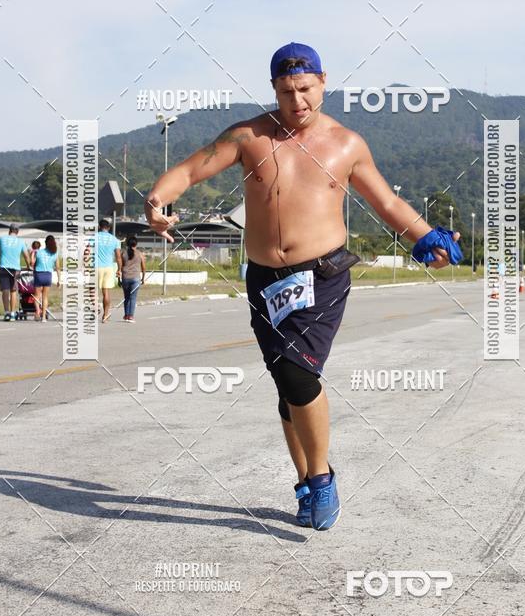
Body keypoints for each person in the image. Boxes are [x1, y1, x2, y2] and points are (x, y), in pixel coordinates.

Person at [144, 42, 462, 531]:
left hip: (322, 275)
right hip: (263, 280)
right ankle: (307, 484)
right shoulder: (249, 136)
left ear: (323, 82)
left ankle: (322, 478)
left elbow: (388, 204)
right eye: (287, 91)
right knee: (285, 386)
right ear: (273, 88)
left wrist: (427, 239)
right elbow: (191, 168)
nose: (298, 102)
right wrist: (158, 199)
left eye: (306, 90)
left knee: (297, 376)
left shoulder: (346, 145)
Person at [0, 224, 31, 321]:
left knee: (5, 290)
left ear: (9, 231)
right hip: (15, 268)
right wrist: (29, 266)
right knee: (13, 291)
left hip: (4, 267)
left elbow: (0, 253)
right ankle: (12, 313)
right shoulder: (21, 241)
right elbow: (26, 255)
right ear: (17, 232)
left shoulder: (2, 239)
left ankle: (6, 313)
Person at [93, 219, 123, 323]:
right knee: (106, 293)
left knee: (92, 290)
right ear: (109, 228)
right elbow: (118, 257)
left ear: (98, 227)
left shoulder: (94, 237)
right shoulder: (114, 240)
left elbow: (87, 252)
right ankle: (105, 315)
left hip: (95, 267)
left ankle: (96, 307)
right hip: (108, 268)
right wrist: (119, 269)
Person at [32, 235, 61, 322]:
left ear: (45, 243)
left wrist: (33, 254)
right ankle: (44, 317)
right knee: (45, 297)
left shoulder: (39, 252)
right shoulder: (55, 253)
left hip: (39, 274)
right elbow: (58, 268)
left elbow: (32, 263)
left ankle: (37, 311)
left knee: (36, 296)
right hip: (48, 275)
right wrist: (59, 280)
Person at [121, 236, 145, 323]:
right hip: (135, 278)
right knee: (133, 298)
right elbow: (143, 267)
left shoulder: (123, 253)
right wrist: (143, 278)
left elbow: (121, 266)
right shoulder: (139, 254)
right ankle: (131, 316)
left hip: (125, 277)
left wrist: (120, 277)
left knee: (126, 297)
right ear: (136, 244)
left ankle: (126, 315)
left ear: (127, 244)